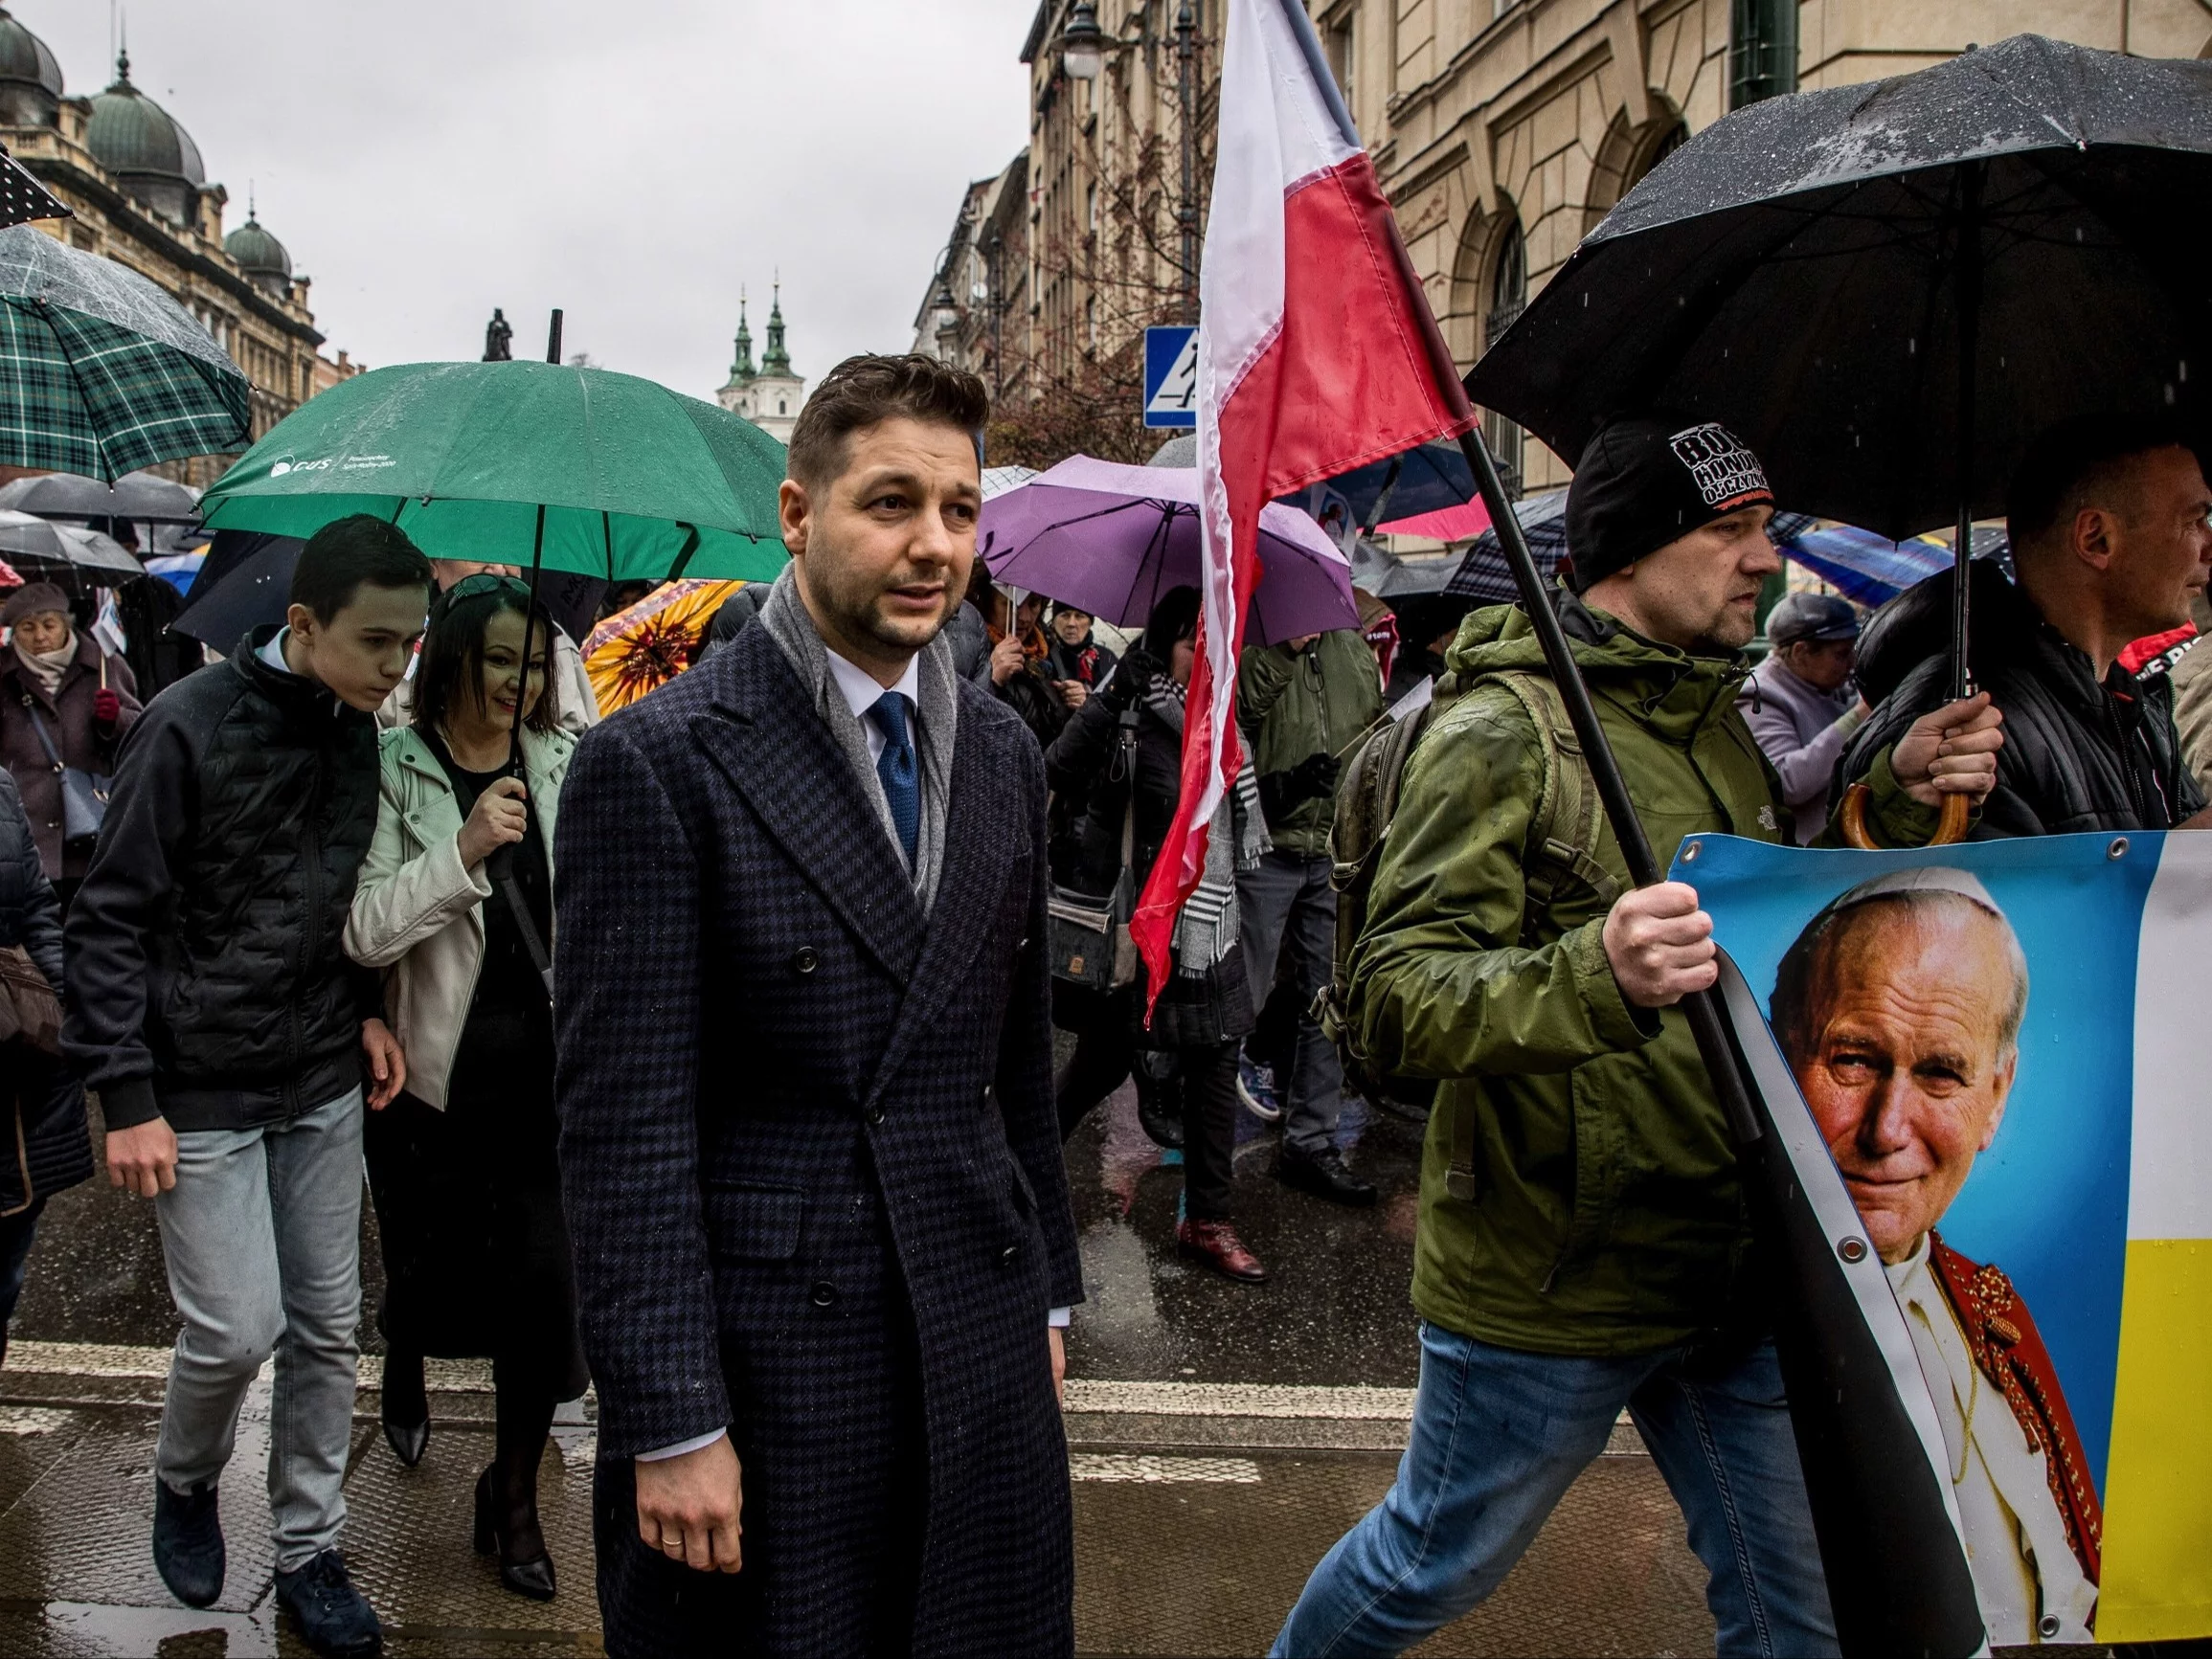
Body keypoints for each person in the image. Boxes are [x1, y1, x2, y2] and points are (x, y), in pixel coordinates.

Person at [1272, 415, 2002, 1659]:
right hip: (1551, 1274)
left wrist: (1886, 792)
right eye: (1728, 532)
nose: (1761, 562)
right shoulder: (1500, 733)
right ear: (1629, 551)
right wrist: (1592, 969)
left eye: (1761, 529)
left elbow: (1760, 946)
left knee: (1799, 1612)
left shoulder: (1713, 726)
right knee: (1421, 1564)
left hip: (1728, 1250)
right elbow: (1393, 997)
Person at [554, 354, 1082, 1657]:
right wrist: (672, 1417)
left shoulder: (1006, 753)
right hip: (772, 1359)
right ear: (796, 515)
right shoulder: (656, 763)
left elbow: (1014, 1065)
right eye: (889, 503)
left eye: (959, 512)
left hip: (976, 1320)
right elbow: (624, 1137)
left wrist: (1050, 1302)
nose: (931, 545)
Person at [64, 516, 431, 1659]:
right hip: (201, 1087)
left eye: (410, 644)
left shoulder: (359, 733)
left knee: (327, 1329)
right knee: (234, 1329)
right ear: (304, 624)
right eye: (377, 642)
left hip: (319, 1071)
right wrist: (126, 1095)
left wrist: (367, 1010)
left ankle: (309, 1546)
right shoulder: (185, 723)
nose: (395, 668)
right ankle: (185, 1476)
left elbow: (336, 902)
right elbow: (110, 917)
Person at [1772, 867, 2096, 1646]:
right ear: (1781, 1057)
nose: (1889, 1128)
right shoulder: (1745, 1325)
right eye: (1852, 1058)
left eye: (1942, 1072)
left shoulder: (1992, 1308)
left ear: (1997, 1095)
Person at [345, 575, 585, 1603]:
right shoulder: (394, 766)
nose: (518, 680)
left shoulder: (564, 757)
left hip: (545, 1084)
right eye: (499, 658)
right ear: (452, 657)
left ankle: (514, 1495)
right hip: (434, 1086)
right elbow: (365, 927)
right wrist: (465, 845)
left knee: (540, 1296)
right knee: (431, 1280)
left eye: (533, 661)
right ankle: (405, 1347)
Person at [1841, 414, 2212, 836]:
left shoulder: (2130, 706)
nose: (2209, 547)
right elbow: (1986, 902)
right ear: (2097, 539)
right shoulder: (1967, 727)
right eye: (2194, 522)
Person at [1047, 586, 1267, 1282]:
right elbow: (1058, 768)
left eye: (1213, 636)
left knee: (1215, 1061)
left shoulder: (1226, 716)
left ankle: (1206, 1216)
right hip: (1139, 931)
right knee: (1102, 1061)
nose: (1202, 649)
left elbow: (1245, 820)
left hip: (1208, 927)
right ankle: (1018, 1167)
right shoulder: (1134, 712)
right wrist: (1115, 696)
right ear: (1161, 644)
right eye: (1187, 637)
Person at [1235, 624, 1382, 1203]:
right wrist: (1281, 654)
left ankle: (1311, 1141)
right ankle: (1208, 1137)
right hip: (1263, 847)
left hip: (1333, 854)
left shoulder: (1353, 652)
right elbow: (1232, 723)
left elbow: (1372, 735)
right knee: (1240, 998)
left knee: (1328, 1001)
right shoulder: (1253, 642)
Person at [0, 766, 89, 1369]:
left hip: (14, 1071)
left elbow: (35, 905)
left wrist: (64, 1015)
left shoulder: (0, 788)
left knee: (4, 1266)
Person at [0, 581, 142, 908]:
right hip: (21, 833)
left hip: (89, 832)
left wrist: (115, 719)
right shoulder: (3, 672)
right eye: (27, 627)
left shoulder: (105, 666)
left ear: (66, 624)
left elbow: (143, 734)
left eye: (49, 625)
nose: (40, 637)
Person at [380, 559, 598, 736]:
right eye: (477, 550)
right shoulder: (402, 643)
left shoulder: (554, 642)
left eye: (534, 664)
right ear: (434, 564)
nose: (497, 568)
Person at [1743, 591, 1863, 843]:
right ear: (1800, 652)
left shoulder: (1826, 684)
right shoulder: (1760, 695)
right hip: (1800, 850)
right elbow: (1786, 783)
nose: (1851, 663)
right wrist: (1858, 717)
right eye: (1841, 654)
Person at [1044, 602, 1117, 708]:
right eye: (1065, 615)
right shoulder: (1042, 654)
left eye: (1079, 616)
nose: (1071, 623)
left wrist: (1088, 703)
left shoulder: (1107, 658)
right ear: (1054, 620)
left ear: (1090, 622)